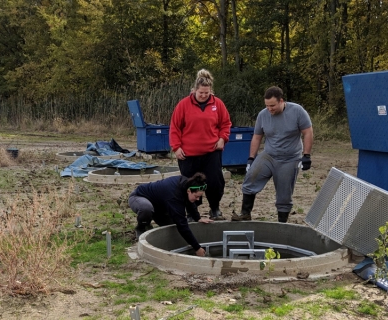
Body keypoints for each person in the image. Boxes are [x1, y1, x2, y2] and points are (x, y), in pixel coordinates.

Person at [231, 86, 313, 223]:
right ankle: (245, 214)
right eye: (267, 106)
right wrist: (251, 158)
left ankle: (282, 222)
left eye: (273, 106)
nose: (270, 109)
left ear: (281, 101)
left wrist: (307, 156)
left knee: (284, 192)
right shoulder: (263, 115)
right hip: (269, 155)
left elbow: (308, 132)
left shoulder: (297, 111)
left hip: (290, 158)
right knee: (251, 178)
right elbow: (257, 137)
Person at [169, 69, 232, 221]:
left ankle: (215, 208)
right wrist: (176, 147)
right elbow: (174, 127)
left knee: (215, 181)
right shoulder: (183, 105)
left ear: (211, 91)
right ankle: (192, 211)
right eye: (201, 93)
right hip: (188, 154)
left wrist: (223, 138)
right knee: (191, 184)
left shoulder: (218, 104)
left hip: (211, 152)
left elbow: (226, 124)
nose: (203, 95)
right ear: (195, 90)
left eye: (206, 93)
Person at [128, 172, 213, 256]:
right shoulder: (174, 196)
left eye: (200, 197)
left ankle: (150, 222)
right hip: (139, 197)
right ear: (189, 191)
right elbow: (182, 225)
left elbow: (190, 201)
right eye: (196, 196)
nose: (198, 199)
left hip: (160, 206)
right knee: (146, 209)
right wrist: (197, 248)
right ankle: (141, 228)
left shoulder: (187, 183)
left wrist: (198, 218)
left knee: (172, 227)